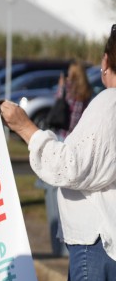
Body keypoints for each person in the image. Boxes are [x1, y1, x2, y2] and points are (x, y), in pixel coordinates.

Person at [0, 24, 116, 281]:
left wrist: (25, 129)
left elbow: (68, 167)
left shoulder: (109, 103)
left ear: (106, 62)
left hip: (98, 245)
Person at [41, 61, 93, 255]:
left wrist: (61, 86)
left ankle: (59, 246)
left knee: (56, 188)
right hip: (78, 141)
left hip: (62, 138)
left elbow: (58, 104)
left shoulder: (67, 89)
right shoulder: (87, 92)